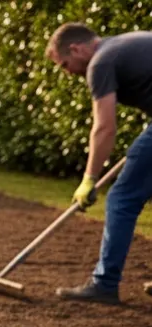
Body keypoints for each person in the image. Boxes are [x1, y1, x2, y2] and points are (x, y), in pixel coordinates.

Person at [46, 24, 152, 304]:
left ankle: (104, 284)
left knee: (122, 198)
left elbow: (105, 127)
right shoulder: (125, 44)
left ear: (76, 49)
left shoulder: (101, 62)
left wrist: (89, 179)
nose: (68, 72)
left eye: (64, 65)